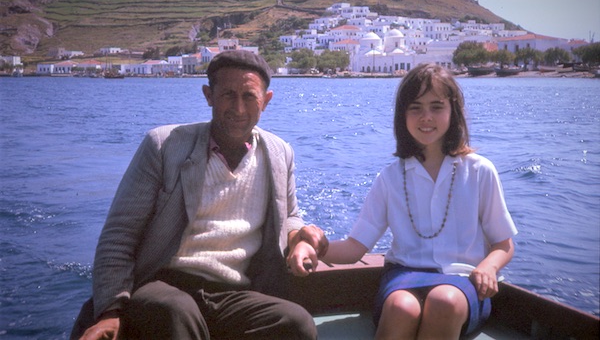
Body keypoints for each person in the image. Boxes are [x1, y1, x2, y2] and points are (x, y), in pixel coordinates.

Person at [71, 50, 328, 340]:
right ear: (208, 95)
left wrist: (299, 239)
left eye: (249, 96)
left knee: (297, 323)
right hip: (162, 283)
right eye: (228, 95)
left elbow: (290, 215)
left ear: (266, 101)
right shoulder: (164, 146)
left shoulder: (280, 153)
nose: (239, 108)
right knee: (177, 312)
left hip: (232, 293)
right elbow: (119, 236)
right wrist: (110, 312)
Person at [314, 63, 517, 339]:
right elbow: (354, 248)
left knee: (444, 301)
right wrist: (312, 247)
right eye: (415, 107)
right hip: (403, 277)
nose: (426, 117)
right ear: (402, 115)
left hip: (462, 282)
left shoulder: (480, 171)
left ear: (453, 111)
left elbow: (503, 245)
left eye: (436, 106)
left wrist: (488, 266)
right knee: (401, 307)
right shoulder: (390, 178)